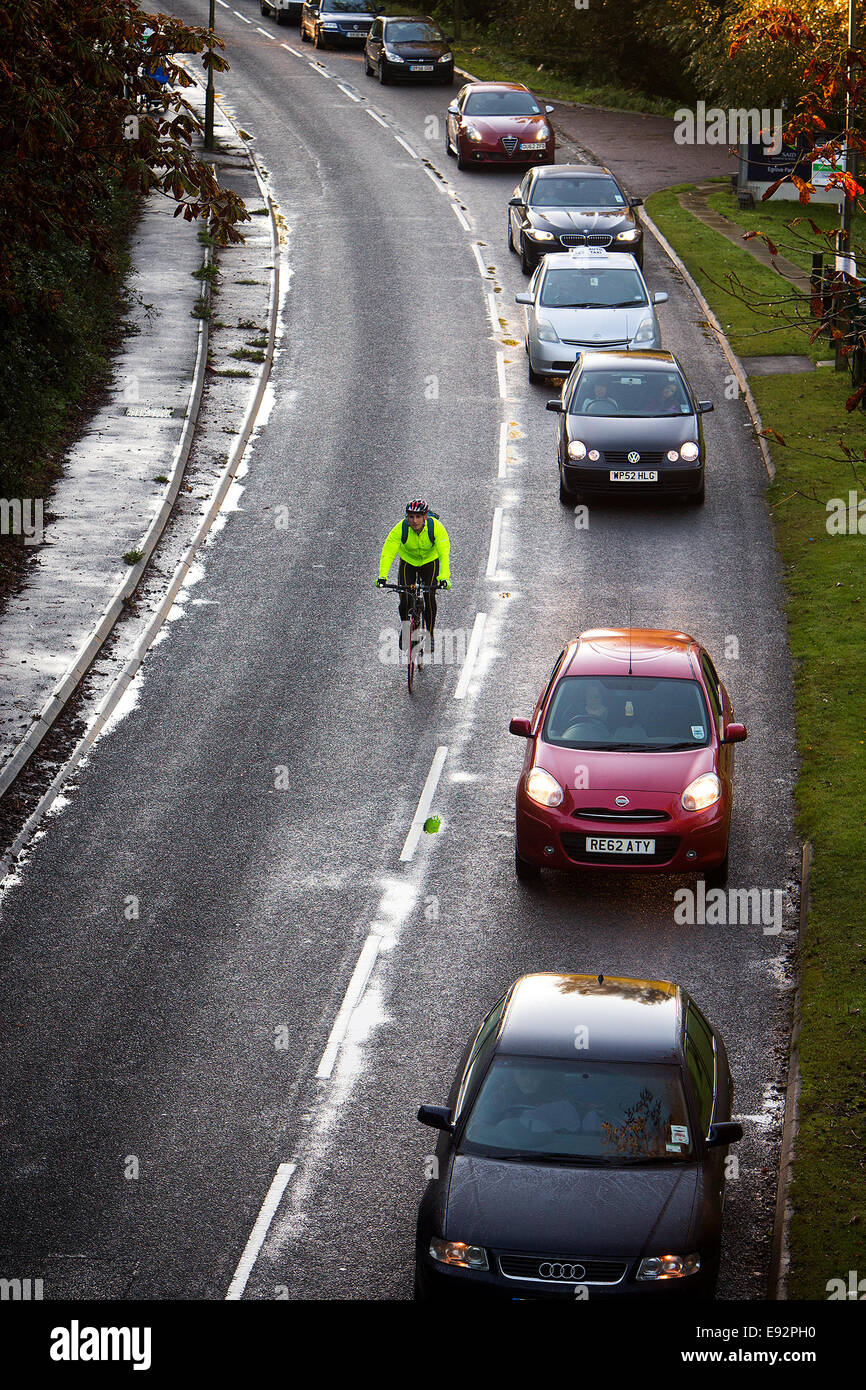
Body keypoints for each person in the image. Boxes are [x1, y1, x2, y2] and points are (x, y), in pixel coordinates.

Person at [376, 500, 451, 650]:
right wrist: (382, 576)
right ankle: (405, 630)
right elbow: (388, 552)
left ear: (425, 517)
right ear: (407, 517)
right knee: (404, 598)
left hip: (430, 561)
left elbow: (444, 553)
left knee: (429, 597)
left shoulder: (436, 528)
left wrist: (444, 577)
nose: (414, 521)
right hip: (408, 562)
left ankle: (429, 634)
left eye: (418, 516)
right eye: (411, 517)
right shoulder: (400, 529)